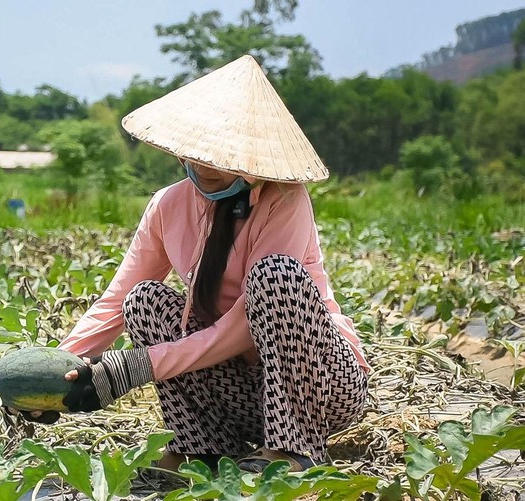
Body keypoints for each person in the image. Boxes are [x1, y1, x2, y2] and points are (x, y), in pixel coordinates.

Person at [24, 55, 371, 473]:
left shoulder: (285, 200)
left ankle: (290, 450)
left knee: (275, 276)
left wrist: (138, 366)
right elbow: (117, 301)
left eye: (223, 155)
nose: (206, 165)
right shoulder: (168, 205)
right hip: (241, 395)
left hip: (320, 387)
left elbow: (244, 324)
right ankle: (202, 449)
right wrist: (58, 372)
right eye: (199, 151)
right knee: (144, 300)